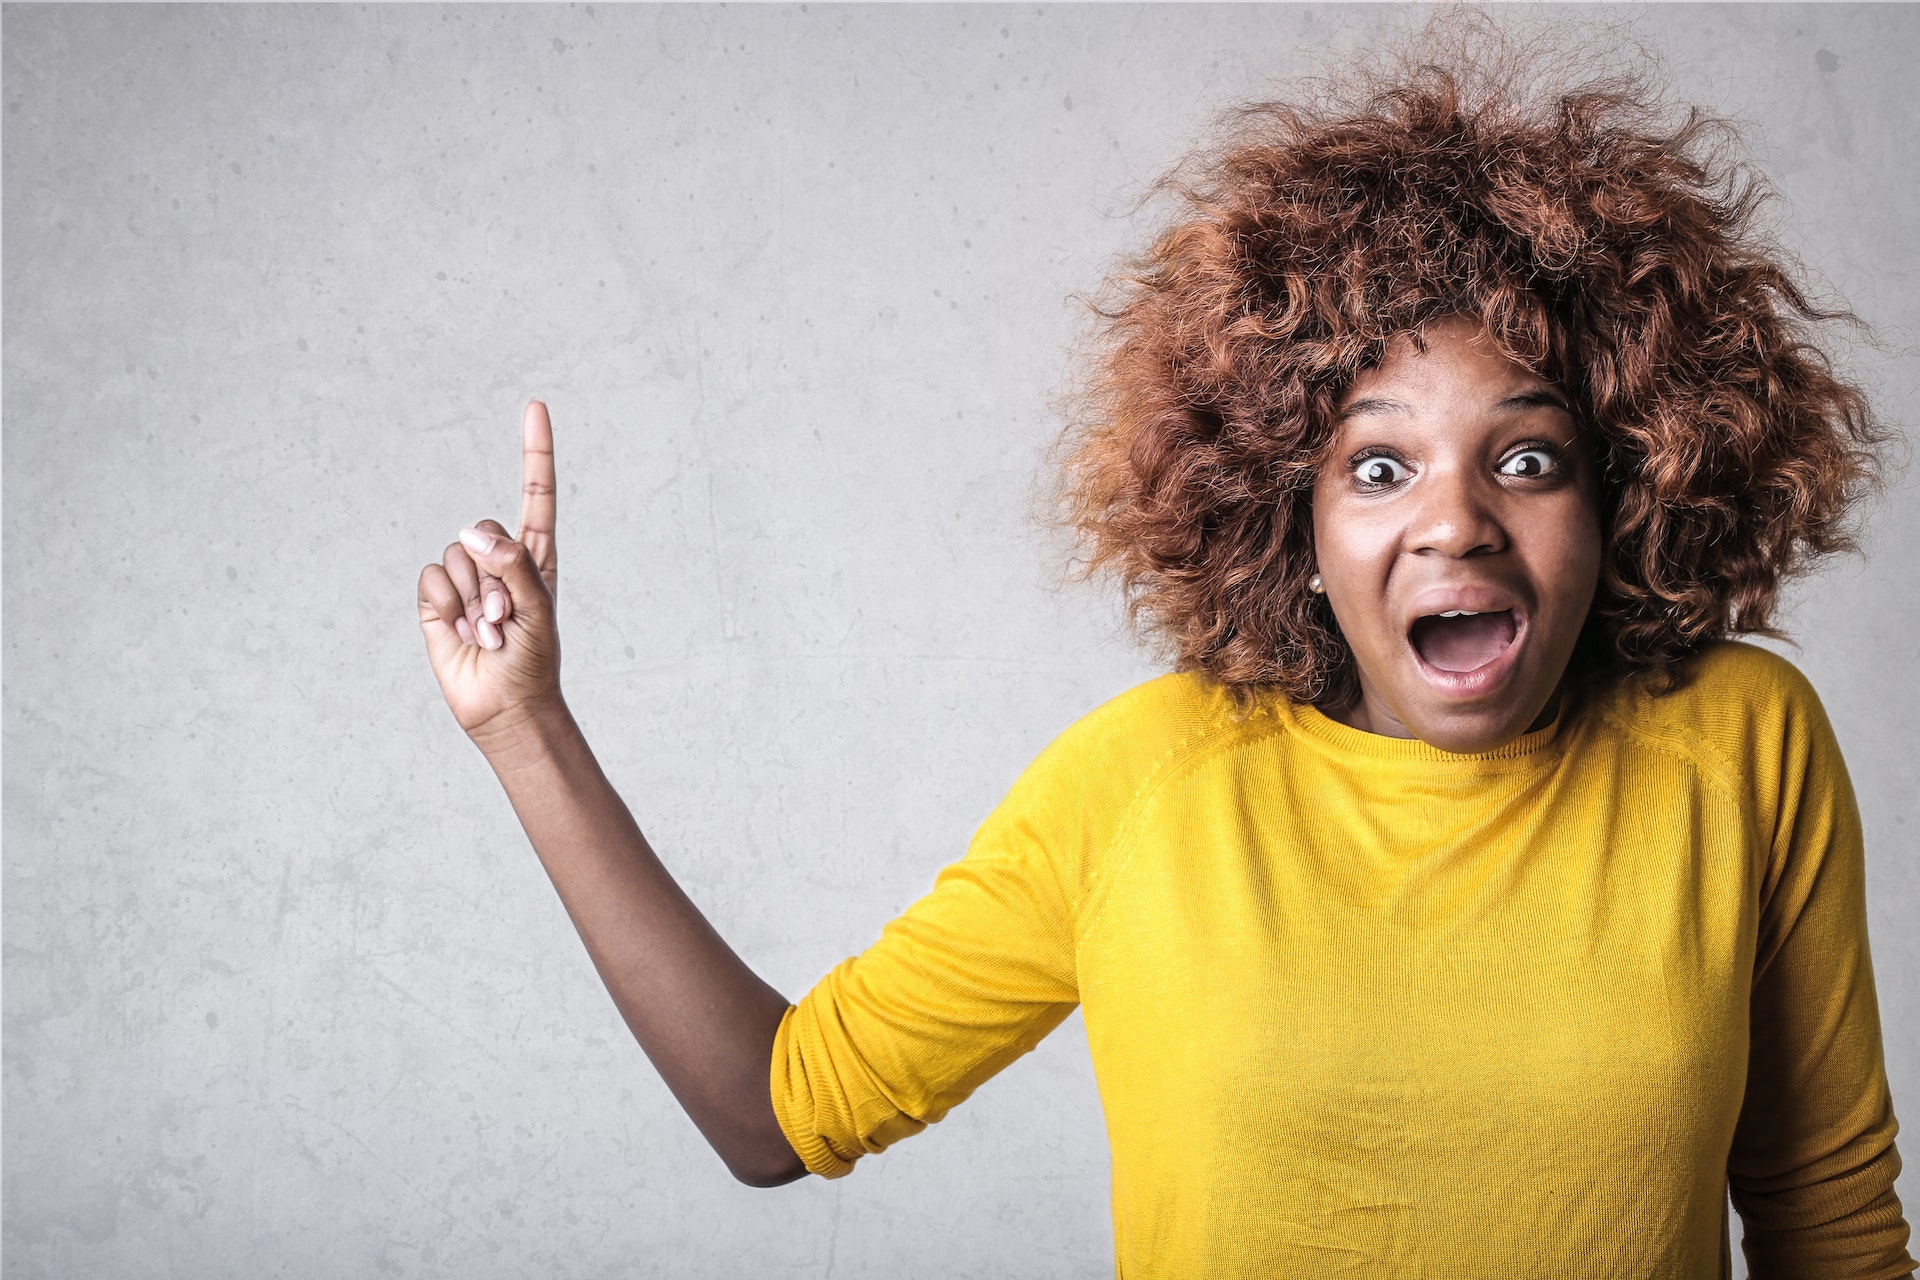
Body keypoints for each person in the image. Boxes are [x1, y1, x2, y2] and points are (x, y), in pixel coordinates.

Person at [415, 51, 1914, 1280]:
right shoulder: (1144, 782)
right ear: (1289, 515)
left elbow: (1829, 1225)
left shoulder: (1739, 744)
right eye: (1378, 468)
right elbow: (773, 1110)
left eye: (1527, 457)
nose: (1457, 518)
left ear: (1629, 489)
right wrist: (526, 727)